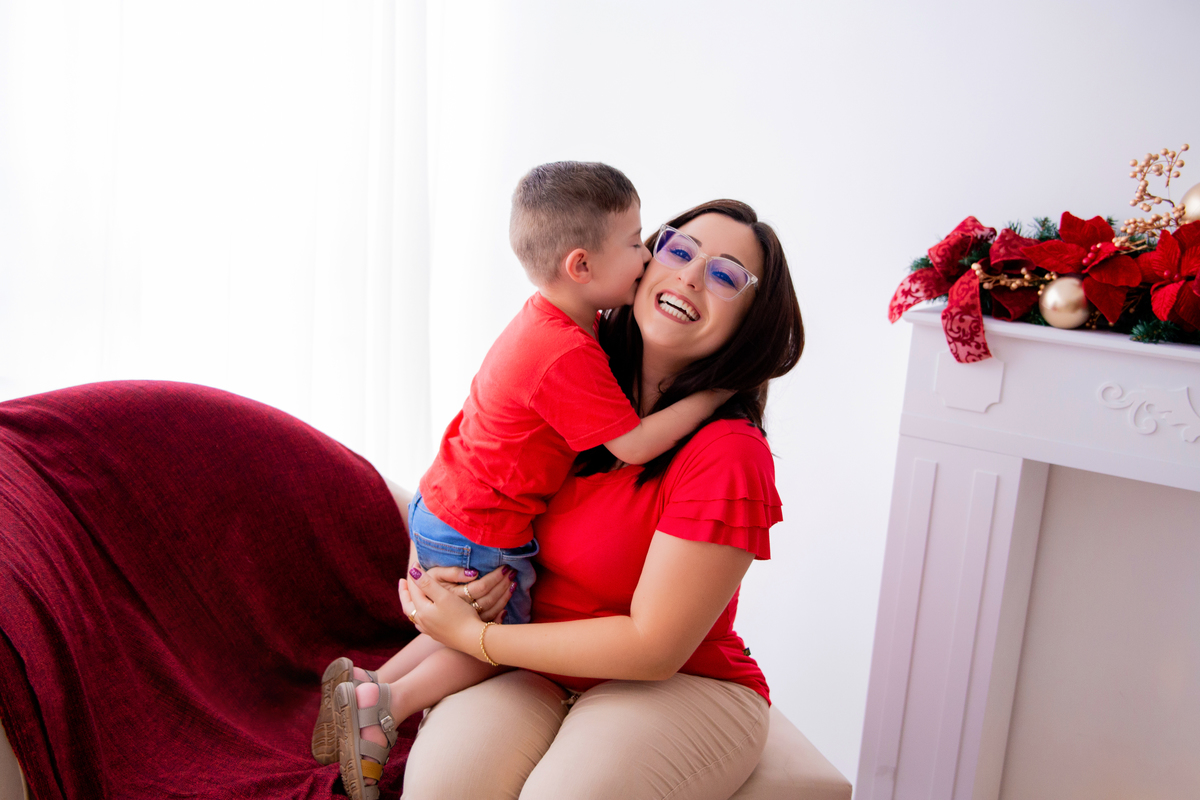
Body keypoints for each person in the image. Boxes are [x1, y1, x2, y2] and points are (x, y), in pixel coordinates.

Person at [310, 162, 731, 800]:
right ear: (581, 266)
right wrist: (716, 397)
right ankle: (386, 706)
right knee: (494, 642)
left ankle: (364, 686)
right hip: (480, 522)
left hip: (451, 501)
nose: (647, 258)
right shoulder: (567, 352)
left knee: (471, 622)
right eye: (635, 243)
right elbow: (635, 445)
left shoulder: (549, 321)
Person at [397, 198, 805, 800]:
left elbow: (654, 647)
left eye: (725, 275)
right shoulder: (569, 370)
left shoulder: (729, 453)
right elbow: (462, 474)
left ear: (751, 322)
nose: (692, 275)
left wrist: (476, 638)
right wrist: (446, 580)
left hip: (678, 682)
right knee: (444, 788)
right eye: (679, 250)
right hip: (534, 666)